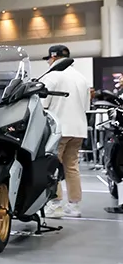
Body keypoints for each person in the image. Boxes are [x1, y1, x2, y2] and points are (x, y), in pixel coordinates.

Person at [41, 45, 90, 218]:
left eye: (49, 59)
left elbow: (43, 104)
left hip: (59, 129)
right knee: (72, 166)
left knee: (52, 166)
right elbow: (86, 106)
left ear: (53, 58)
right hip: (79, 129)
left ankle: (55, 204)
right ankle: (74, 205)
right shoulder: (81, 78)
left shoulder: (52, 76)